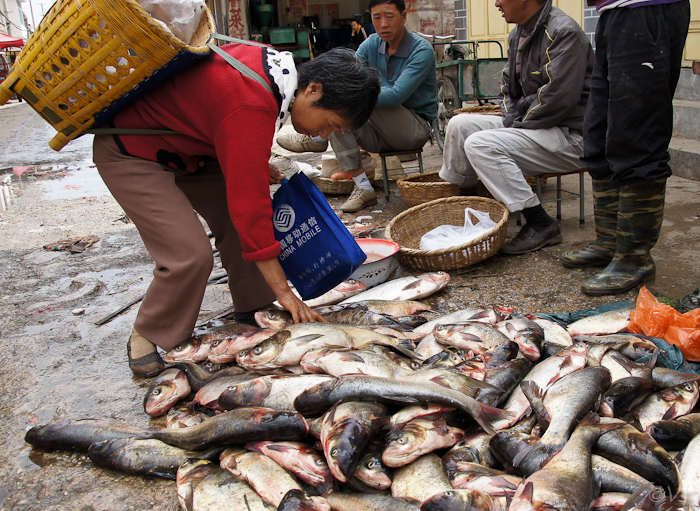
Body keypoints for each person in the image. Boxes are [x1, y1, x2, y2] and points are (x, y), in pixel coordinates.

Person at [92, 46, 380, 377]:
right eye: (330, 123)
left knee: (237, 224)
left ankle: (253, 307)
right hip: (132, 149)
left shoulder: (277, 75)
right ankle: (149, 333)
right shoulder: (253, 100)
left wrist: (254, 163)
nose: (324, 135)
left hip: (193, 149)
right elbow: (251, 209)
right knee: (190, 253)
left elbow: (226, 125)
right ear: (313, 89)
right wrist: (286, 294)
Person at [438, 0, 593, 255]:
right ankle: (471, 207)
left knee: (480, 144)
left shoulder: (563, 32)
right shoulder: (518, 33)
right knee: (460, 124)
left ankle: (540, 222)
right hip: (533, 126)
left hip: (570, 136)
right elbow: (506, 91)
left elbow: (556, 101)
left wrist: (516, 122)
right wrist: (514, 118)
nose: (497, 3)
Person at [561, 0, 690, 296]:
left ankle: (634, 258)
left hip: (646, 9)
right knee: (598, 134)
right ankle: (609, 242)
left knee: (637, 135)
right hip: (612, 13)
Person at [276, 0, 437, 213]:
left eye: (390, 16)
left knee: (349, 101)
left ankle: (316, 138)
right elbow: (346, 73)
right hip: (378, 131)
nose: (383, 24)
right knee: (338, 116)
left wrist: (352, 96)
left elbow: (396, 96)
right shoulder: (370, 44)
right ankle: (363, 187)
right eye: (376, 17)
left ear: (404, 16)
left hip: (413, 128)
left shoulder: (421, 50)